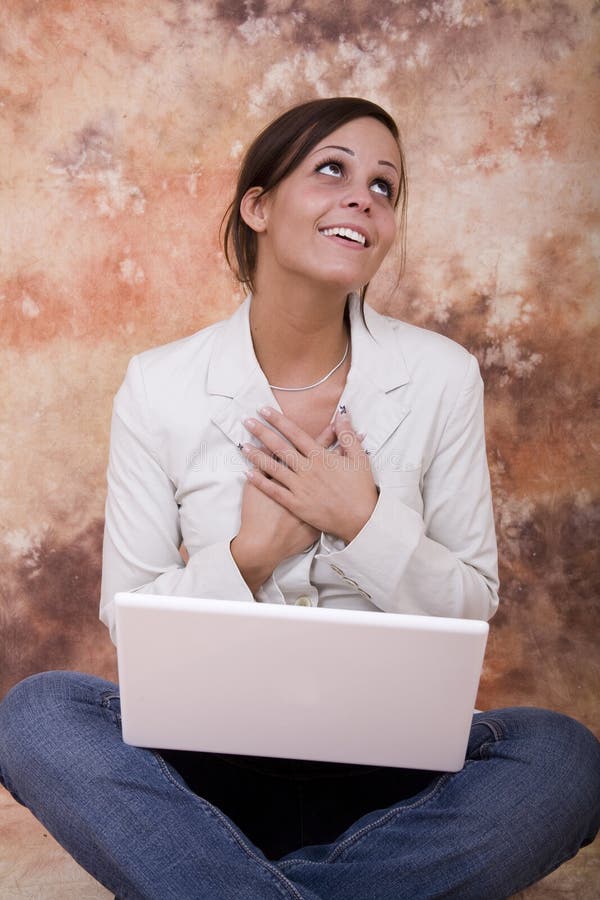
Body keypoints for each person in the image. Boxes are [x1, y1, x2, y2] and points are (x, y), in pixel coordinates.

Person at [0, 97, 598, 900]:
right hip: (202, 779)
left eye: (385, 187)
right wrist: (249, 557)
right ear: (258, 205)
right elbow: (129, 610)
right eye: (332, 170)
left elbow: (472, 601)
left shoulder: (442, 374)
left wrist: (362, 522)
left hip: (395, 779)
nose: (364, 197)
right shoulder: (160, 385)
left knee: (564, 755)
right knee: (37, 713)